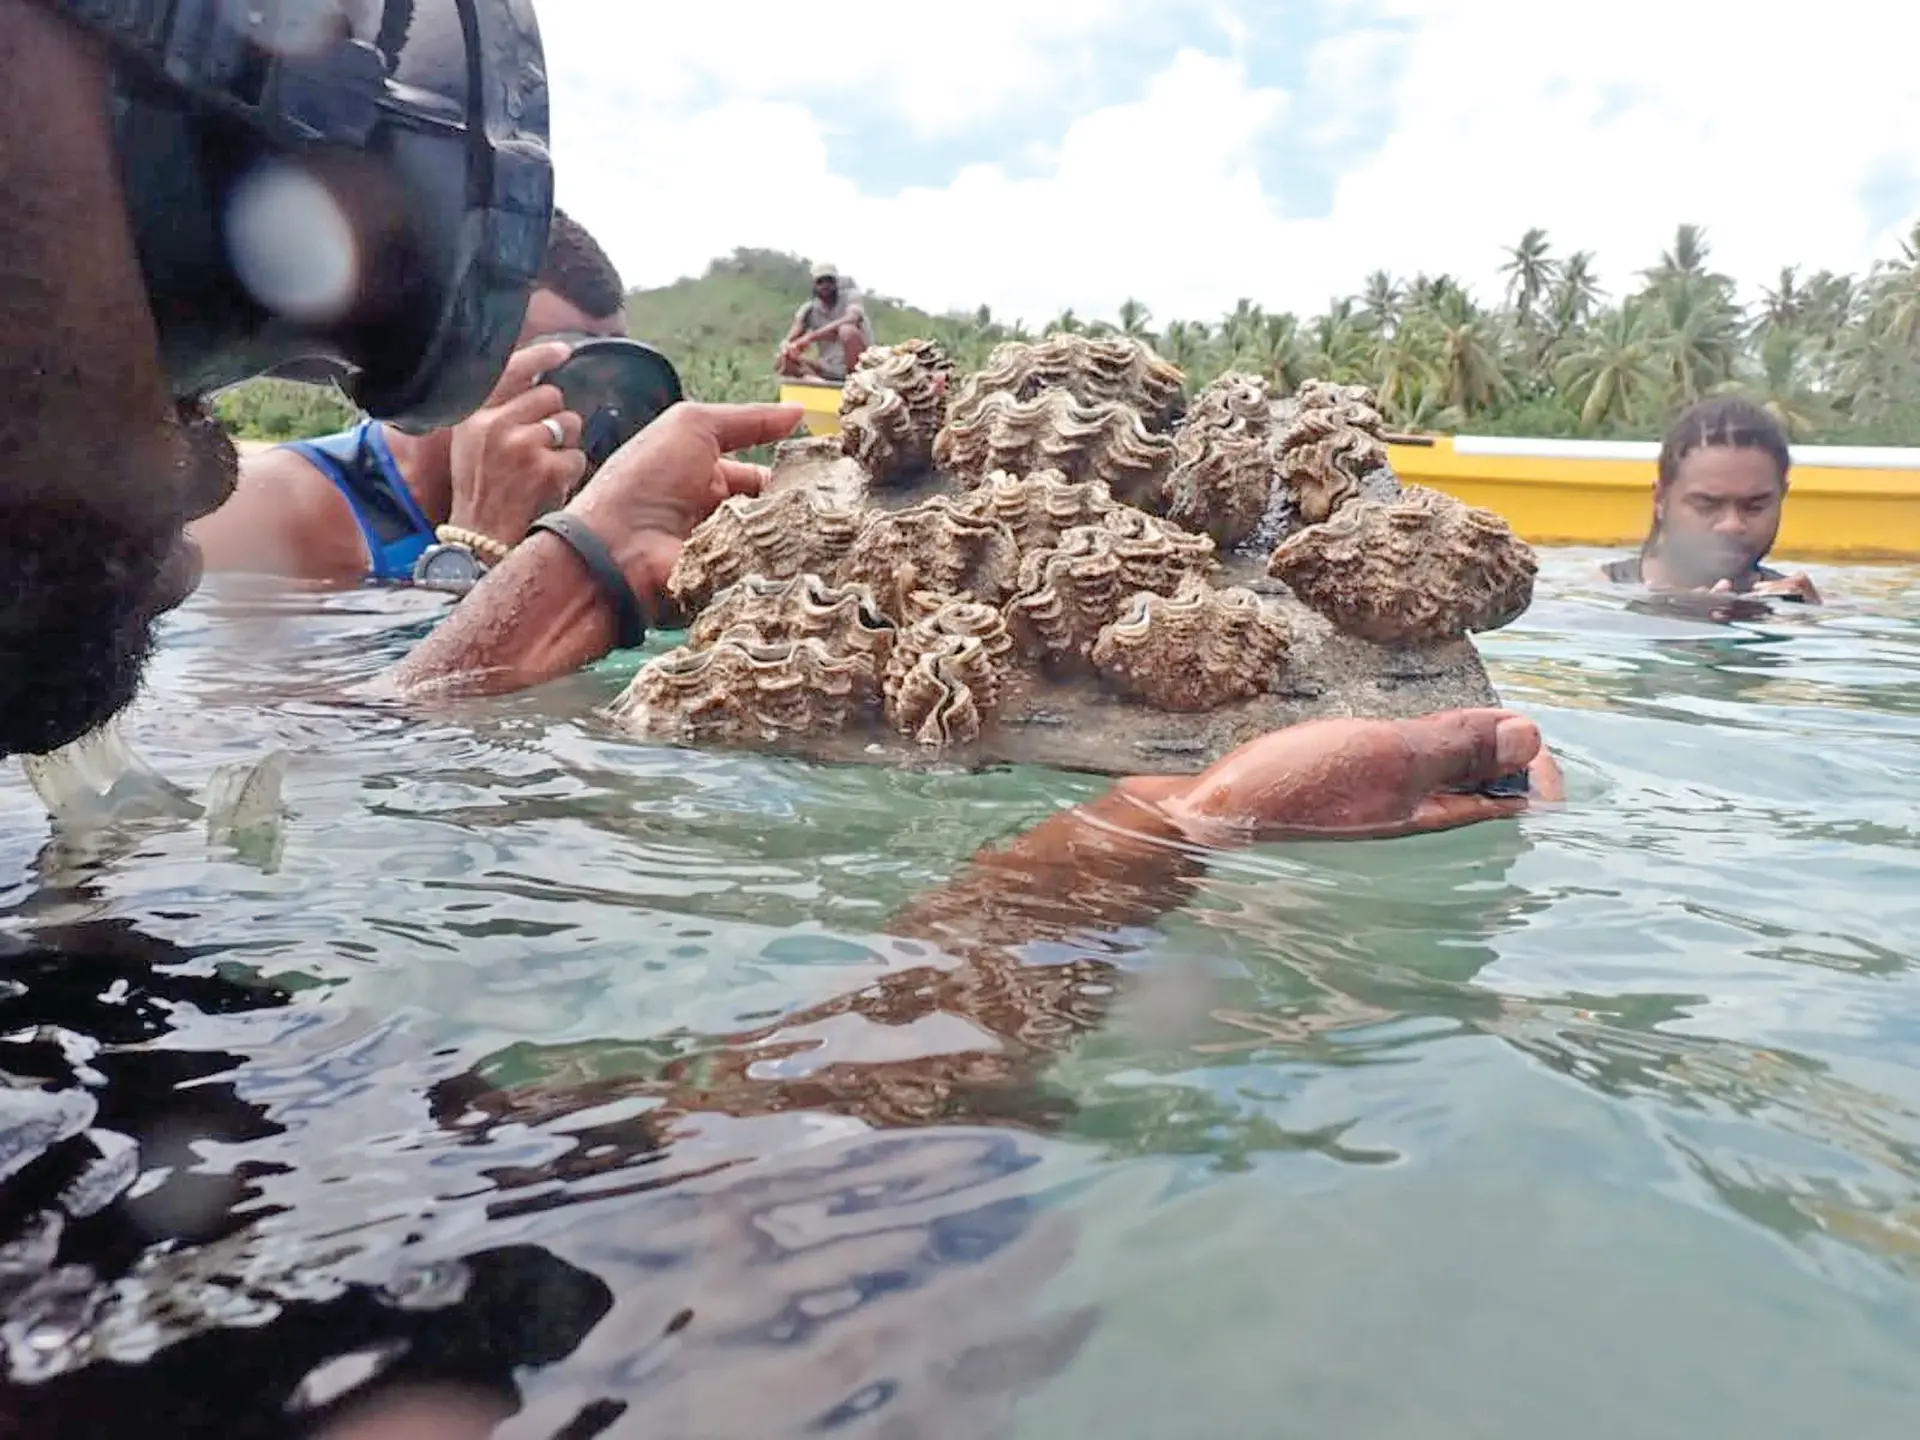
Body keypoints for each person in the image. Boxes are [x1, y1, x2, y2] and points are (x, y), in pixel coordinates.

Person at [0, 0, 1558, 848]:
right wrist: (1144, 843)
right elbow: (747, 1273)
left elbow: (213, 799)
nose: (198, 453)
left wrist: (566, 573)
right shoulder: (271, 510)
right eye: (168, 264)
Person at [189, 210, 630, 588]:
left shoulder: (584, 507)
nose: (587, 407)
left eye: (610, 371)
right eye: (563, 370)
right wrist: (481, 544)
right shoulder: (269, 510)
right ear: (443, 358)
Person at [1600, 397, 1822, 603]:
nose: (1732, 525)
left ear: (1781, 498)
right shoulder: (1602, 597)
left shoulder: (1793, 603)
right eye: (1706, 505)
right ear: (1660, 500)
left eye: (1755, 506)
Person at [774, 261, 873, 381]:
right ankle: (817, 383)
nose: (825, 285)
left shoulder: (850, 297)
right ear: (814, 284)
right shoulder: (808, 310)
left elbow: (853, 317)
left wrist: (812, 336)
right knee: (784, 358)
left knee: (847, 331)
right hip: (827, 366)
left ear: (836, 282)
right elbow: (791, 338)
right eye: (820, 282)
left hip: (859, 366)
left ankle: (855, 381)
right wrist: (789, 346)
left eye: (829, 280)